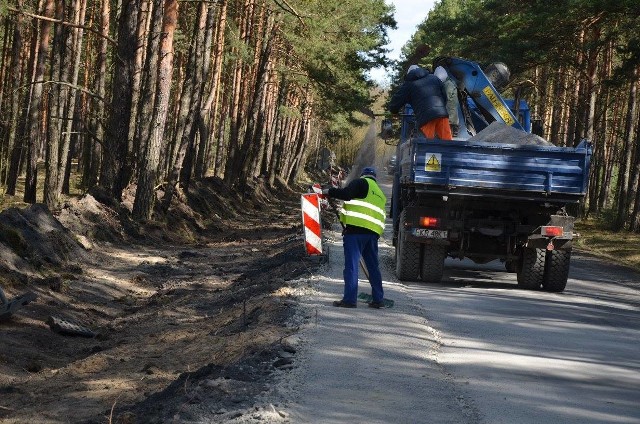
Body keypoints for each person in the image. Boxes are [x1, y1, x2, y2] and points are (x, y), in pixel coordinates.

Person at [323, 167, 387, 309]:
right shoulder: (380, 194)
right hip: (373, 234)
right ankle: (378, 299)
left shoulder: (360, 182)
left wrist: (329, 191)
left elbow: (346, 194)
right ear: (375, 177)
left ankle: (350, 300)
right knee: (373, 267)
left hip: (355, 232)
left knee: (351, 266)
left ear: (363, 175)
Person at [388, 64, 452, 140]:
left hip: (426, 117)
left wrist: (393, 111)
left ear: (409, 74)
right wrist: (442, 108)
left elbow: (396, 102)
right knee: (448, 142)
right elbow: (444, 96)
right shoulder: (434, 78)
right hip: (441, 114)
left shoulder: (408, 84)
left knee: (427, 145)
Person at [434, 65, 460, 137]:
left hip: (450, 117)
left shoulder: (448, 84)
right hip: (451, 117)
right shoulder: (449, 82)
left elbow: (446, 97)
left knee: (447, 137)